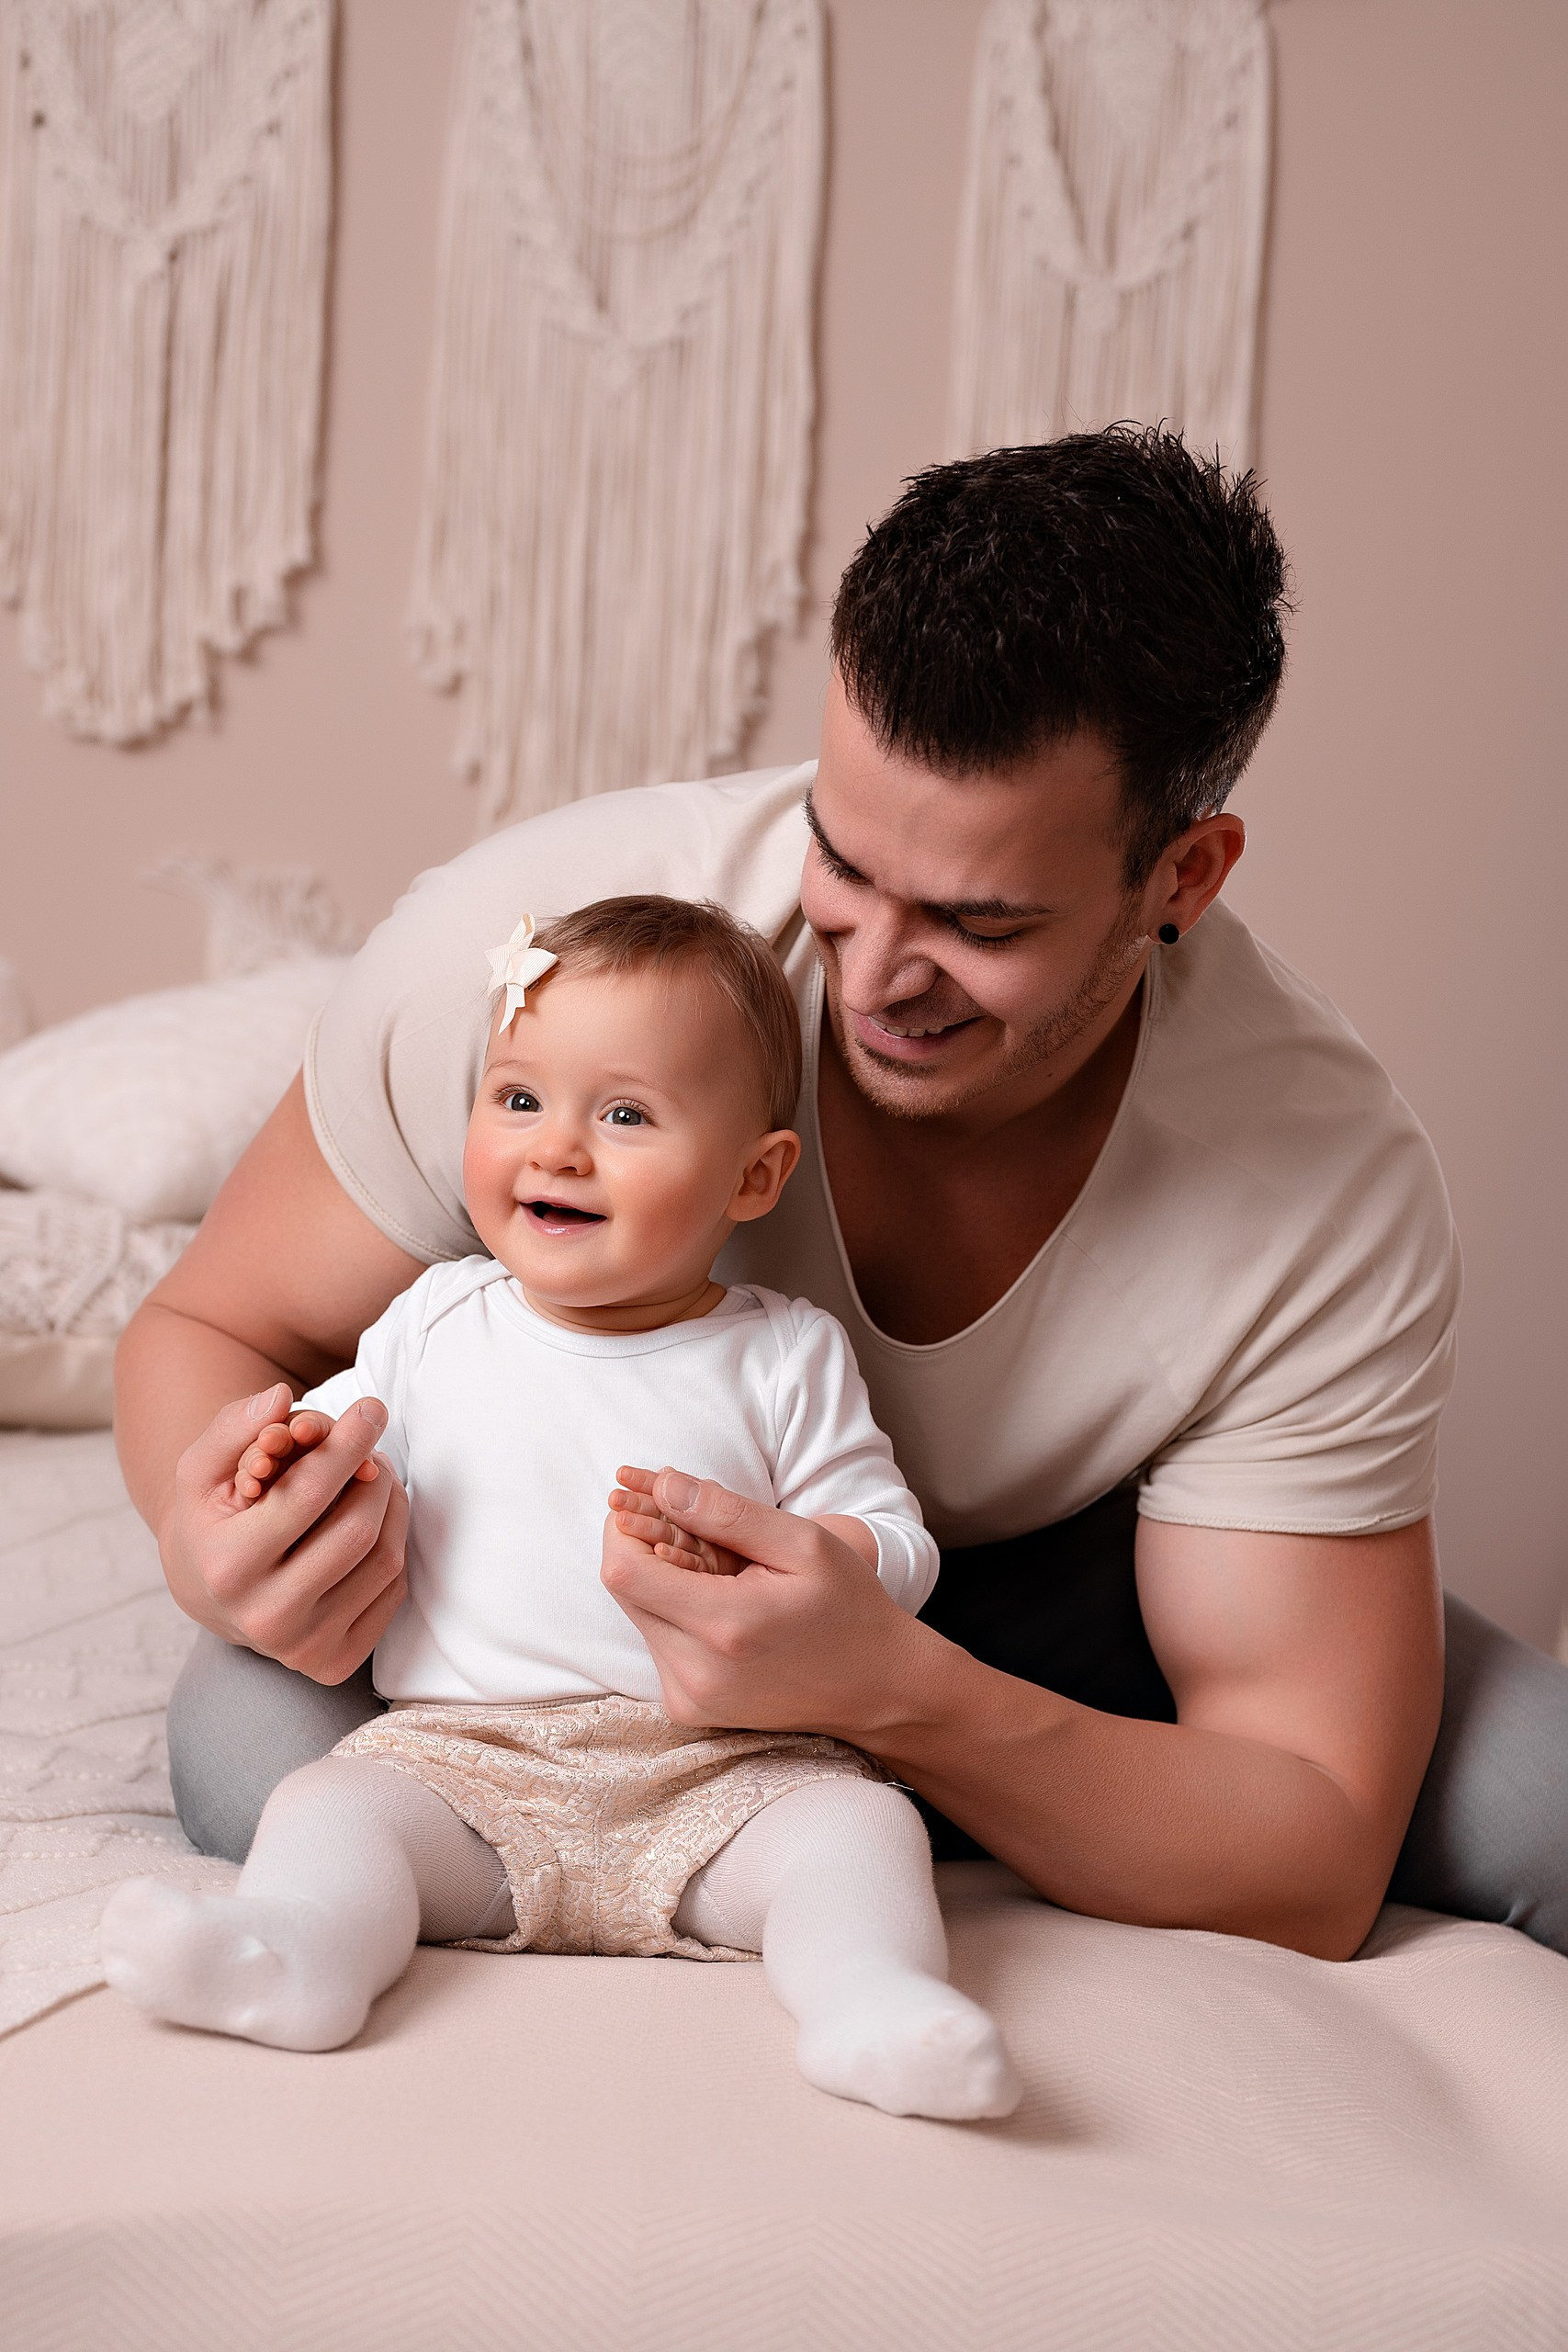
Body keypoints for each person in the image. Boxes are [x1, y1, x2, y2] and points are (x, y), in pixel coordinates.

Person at [117, 425, 1568, 1965]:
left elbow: (1315, 1847)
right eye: (843, 861)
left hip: (1079, 1595)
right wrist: (213, 1538)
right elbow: (211, 1324)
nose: (874, 978)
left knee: (1546, 1806)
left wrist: (894, 1693)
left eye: (980, 922)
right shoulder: (540, 966)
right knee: (249, 1754)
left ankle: (851, 1818)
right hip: (538, 1633)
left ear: (1184, 879)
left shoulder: (1318, 1183)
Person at [103, 899, 1019, 2119]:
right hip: (465, 1765)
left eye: (625, 1115)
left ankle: (870, 2002)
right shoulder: (433, 1320)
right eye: (520, 1098)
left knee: (860, 1832)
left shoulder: (784, 1353)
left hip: (727, 1774)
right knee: (330, 1805)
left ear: (754, 1176)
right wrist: (281, 1461)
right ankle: (296, 1955)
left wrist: (794, 1559)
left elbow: (897, 1545)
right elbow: (329, 1446)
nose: (557, 1150)